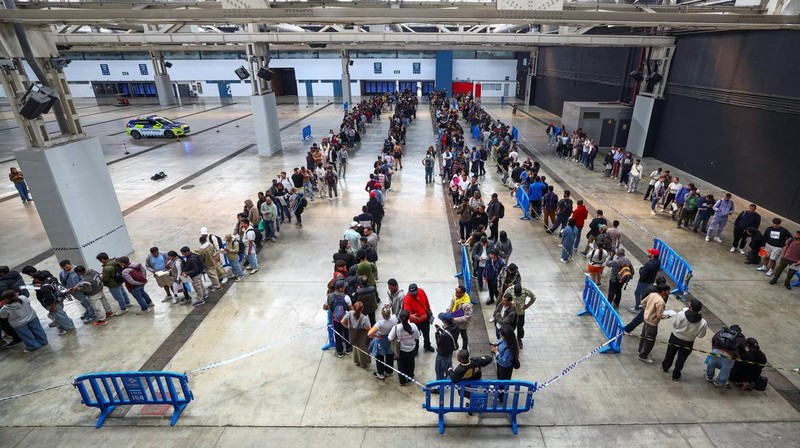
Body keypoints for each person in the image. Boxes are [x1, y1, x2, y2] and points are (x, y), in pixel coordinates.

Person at [661, 299, 707, 381]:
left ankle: (665, 367)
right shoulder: (703, 322)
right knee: (681, 359)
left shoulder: (681, 314)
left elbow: (674, 324)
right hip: (688, 342)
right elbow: (701, 335)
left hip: (675, 338)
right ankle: (675, 375)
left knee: (670, 354)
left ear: (690, 307)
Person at [637, 284, 671, 364]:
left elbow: (643, 302)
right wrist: (667, 316)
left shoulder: (652, 294)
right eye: (668, 291)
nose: (669, 292)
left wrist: (647, 311)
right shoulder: (661, 302)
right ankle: (643, 355)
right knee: (650, 340)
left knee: (643, 336)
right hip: (652, 323)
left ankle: (640, 350)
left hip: (646, 318)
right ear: (663, 291)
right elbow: (660, 315)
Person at [388, 310, 420, 385]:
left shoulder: (396, 328)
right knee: (411, 364)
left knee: (401, 365)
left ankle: (402, 380)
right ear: (409, 317)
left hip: (401, 350)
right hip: (412, 349)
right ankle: (410, 377)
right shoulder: (413, 326)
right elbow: (417, 336)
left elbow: (390, 338)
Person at [59, 259, 94, 324]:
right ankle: (88, 311)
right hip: (73, 292)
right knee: (83, 302)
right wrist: (67, 290)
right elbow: (63, 282)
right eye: (64, 268)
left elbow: (84, 280)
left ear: (70, 264)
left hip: (81, 290)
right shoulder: (62, 273)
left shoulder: (77, 270)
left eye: (67, 267)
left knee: (86, 302)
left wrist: (78, 288)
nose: (66, 269)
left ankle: (92, 315)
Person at [324, 280, 353, 358]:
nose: (345, 287)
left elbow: (324, 307)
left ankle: (339, 351)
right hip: (345, 320)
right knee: (346, 334)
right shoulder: (346, 297)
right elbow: (351, 310)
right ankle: (348, 348)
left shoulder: (329, 297)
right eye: (344, 286)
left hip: (335, 320)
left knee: (337, 335)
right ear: (340, 288)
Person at [368, 305, 398, 380]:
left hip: (381, 341)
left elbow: (369, 334)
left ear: (382, 314)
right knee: (390, 355)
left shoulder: (380, 324)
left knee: (379, 357)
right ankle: (388, 371)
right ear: (390, 313)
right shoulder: (394, 319)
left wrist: (376, 336)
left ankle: (380, 373)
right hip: (390, 339)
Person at [402, 283, 434, 353]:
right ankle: (416, 348)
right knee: (415, 336)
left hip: (425, 319)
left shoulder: (421, 291)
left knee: (426, 334)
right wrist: (410, 316)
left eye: (414, 292)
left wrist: (429, 310)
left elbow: (426, 302)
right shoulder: (407, 298)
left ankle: (427, 345)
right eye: (411, 293)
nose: (413, 294)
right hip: (415, 322)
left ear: (417, 290)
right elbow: (407, 309)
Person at [629, 248, 661, 314]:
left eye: (649, 253)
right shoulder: (658, 262)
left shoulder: (649, 264)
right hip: (651, 281)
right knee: (646, 294)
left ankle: (637, 308)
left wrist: (641, 269)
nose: (648, 253)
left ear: (652, 255)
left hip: (644, 282)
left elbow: (643, 275)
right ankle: (644, 306)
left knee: (638, 293)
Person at [342, 301, 372, 368]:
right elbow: (368, 329)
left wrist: (348, 327)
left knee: (355, 348)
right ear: (362, 308)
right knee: (362, 349)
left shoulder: (349, 313)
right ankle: (363, 363)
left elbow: (342, 321)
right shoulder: (364, 318)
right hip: (362, 338)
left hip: (353, 336)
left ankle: (356, 361)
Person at [433, 312, 459, 385]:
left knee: (439, 370)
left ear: (444, 322)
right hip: (449, 352)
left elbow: (439, 344)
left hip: (442, 355)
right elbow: (449, 333)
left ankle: (439, 387)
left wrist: (437, 333)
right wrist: (442, 330)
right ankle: (449, 379)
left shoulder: (444, 335)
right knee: (448, 368)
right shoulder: (456, 326)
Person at [447, 285, 473, 350]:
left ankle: (464, 349)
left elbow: (466, 318)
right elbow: (452, 302)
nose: (456, 293)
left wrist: (453, 319)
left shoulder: (467, 305)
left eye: (458, 292)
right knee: (454, 335)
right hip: (454, 319)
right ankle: (454, 345)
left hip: (462, 325)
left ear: (463, 293)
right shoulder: (456, 296)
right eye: (456, 291)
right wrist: (449, 309)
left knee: (464, 336)